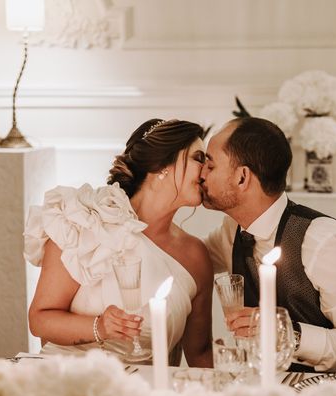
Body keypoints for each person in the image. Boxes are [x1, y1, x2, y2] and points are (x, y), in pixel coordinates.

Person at [200, 116, 336, 373]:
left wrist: (287, 334)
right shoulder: (233, 230)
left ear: (242, 178)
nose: (200, 174)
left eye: (210, 166)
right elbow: (184, 261)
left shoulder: (326, 242)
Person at [25, 119, 213, 367]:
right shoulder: (84, 221)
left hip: (147, 395)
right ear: (161, 166)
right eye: (199, 157)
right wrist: (99, 326)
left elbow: (199, 354)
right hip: (69, 383)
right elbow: (40, 320)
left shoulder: (195, 256)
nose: (207, 168)